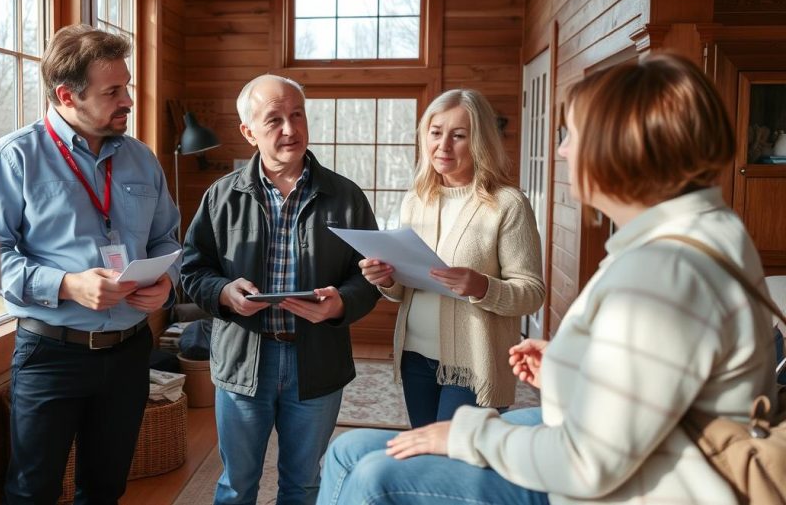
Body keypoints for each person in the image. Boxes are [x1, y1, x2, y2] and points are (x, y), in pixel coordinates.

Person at [317, 53, 778, 505]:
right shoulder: (682, 238)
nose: (561, 150)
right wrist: (568, 365)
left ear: (624, 147)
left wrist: (470, 433)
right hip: (606, 442)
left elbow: (591, 461)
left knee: (376, 476)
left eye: (572, 134)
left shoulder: (664, 271)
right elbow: (650, 383)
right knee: (346, 449)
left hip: (629, 483)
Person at [0, 24, 180, 505]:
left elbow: (166, 236)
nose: (127, 99)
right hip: (51, 355)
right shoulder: (14, 158)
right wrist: (65, 285)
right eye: (113, 91)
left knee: (106, 487)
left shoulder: (142, 159)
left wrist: (164, 280)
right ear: (67, 95)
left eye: (126, 86)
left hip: (130, 350)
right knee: (32, 490)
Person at [180, 74, 381, 505]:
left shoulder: (346, 197)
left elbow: (369, 276)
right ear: (248, 132)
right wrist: (222, 293)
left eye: (297, 115)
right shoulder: (221, 196)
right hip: (242, 360)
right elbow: (192, 269)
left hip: (317, 362)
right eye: (274, 119)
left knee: (304, 484)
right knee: (237, 485)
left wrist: (341, 304)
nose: (290, 129)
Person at [359, 88, 544, 427]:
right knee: (426, 460)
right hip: (415, 356)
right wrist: (386, 278)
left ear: (480, 142)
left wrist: (482, 287)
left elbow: (531, 293)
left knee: (453, 463)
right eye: (435, 133)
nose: (443, 146)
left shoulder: (508, 204)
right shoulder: (416, 199)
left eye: (458, 136)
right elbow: (408, 286)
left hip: (473, 364)